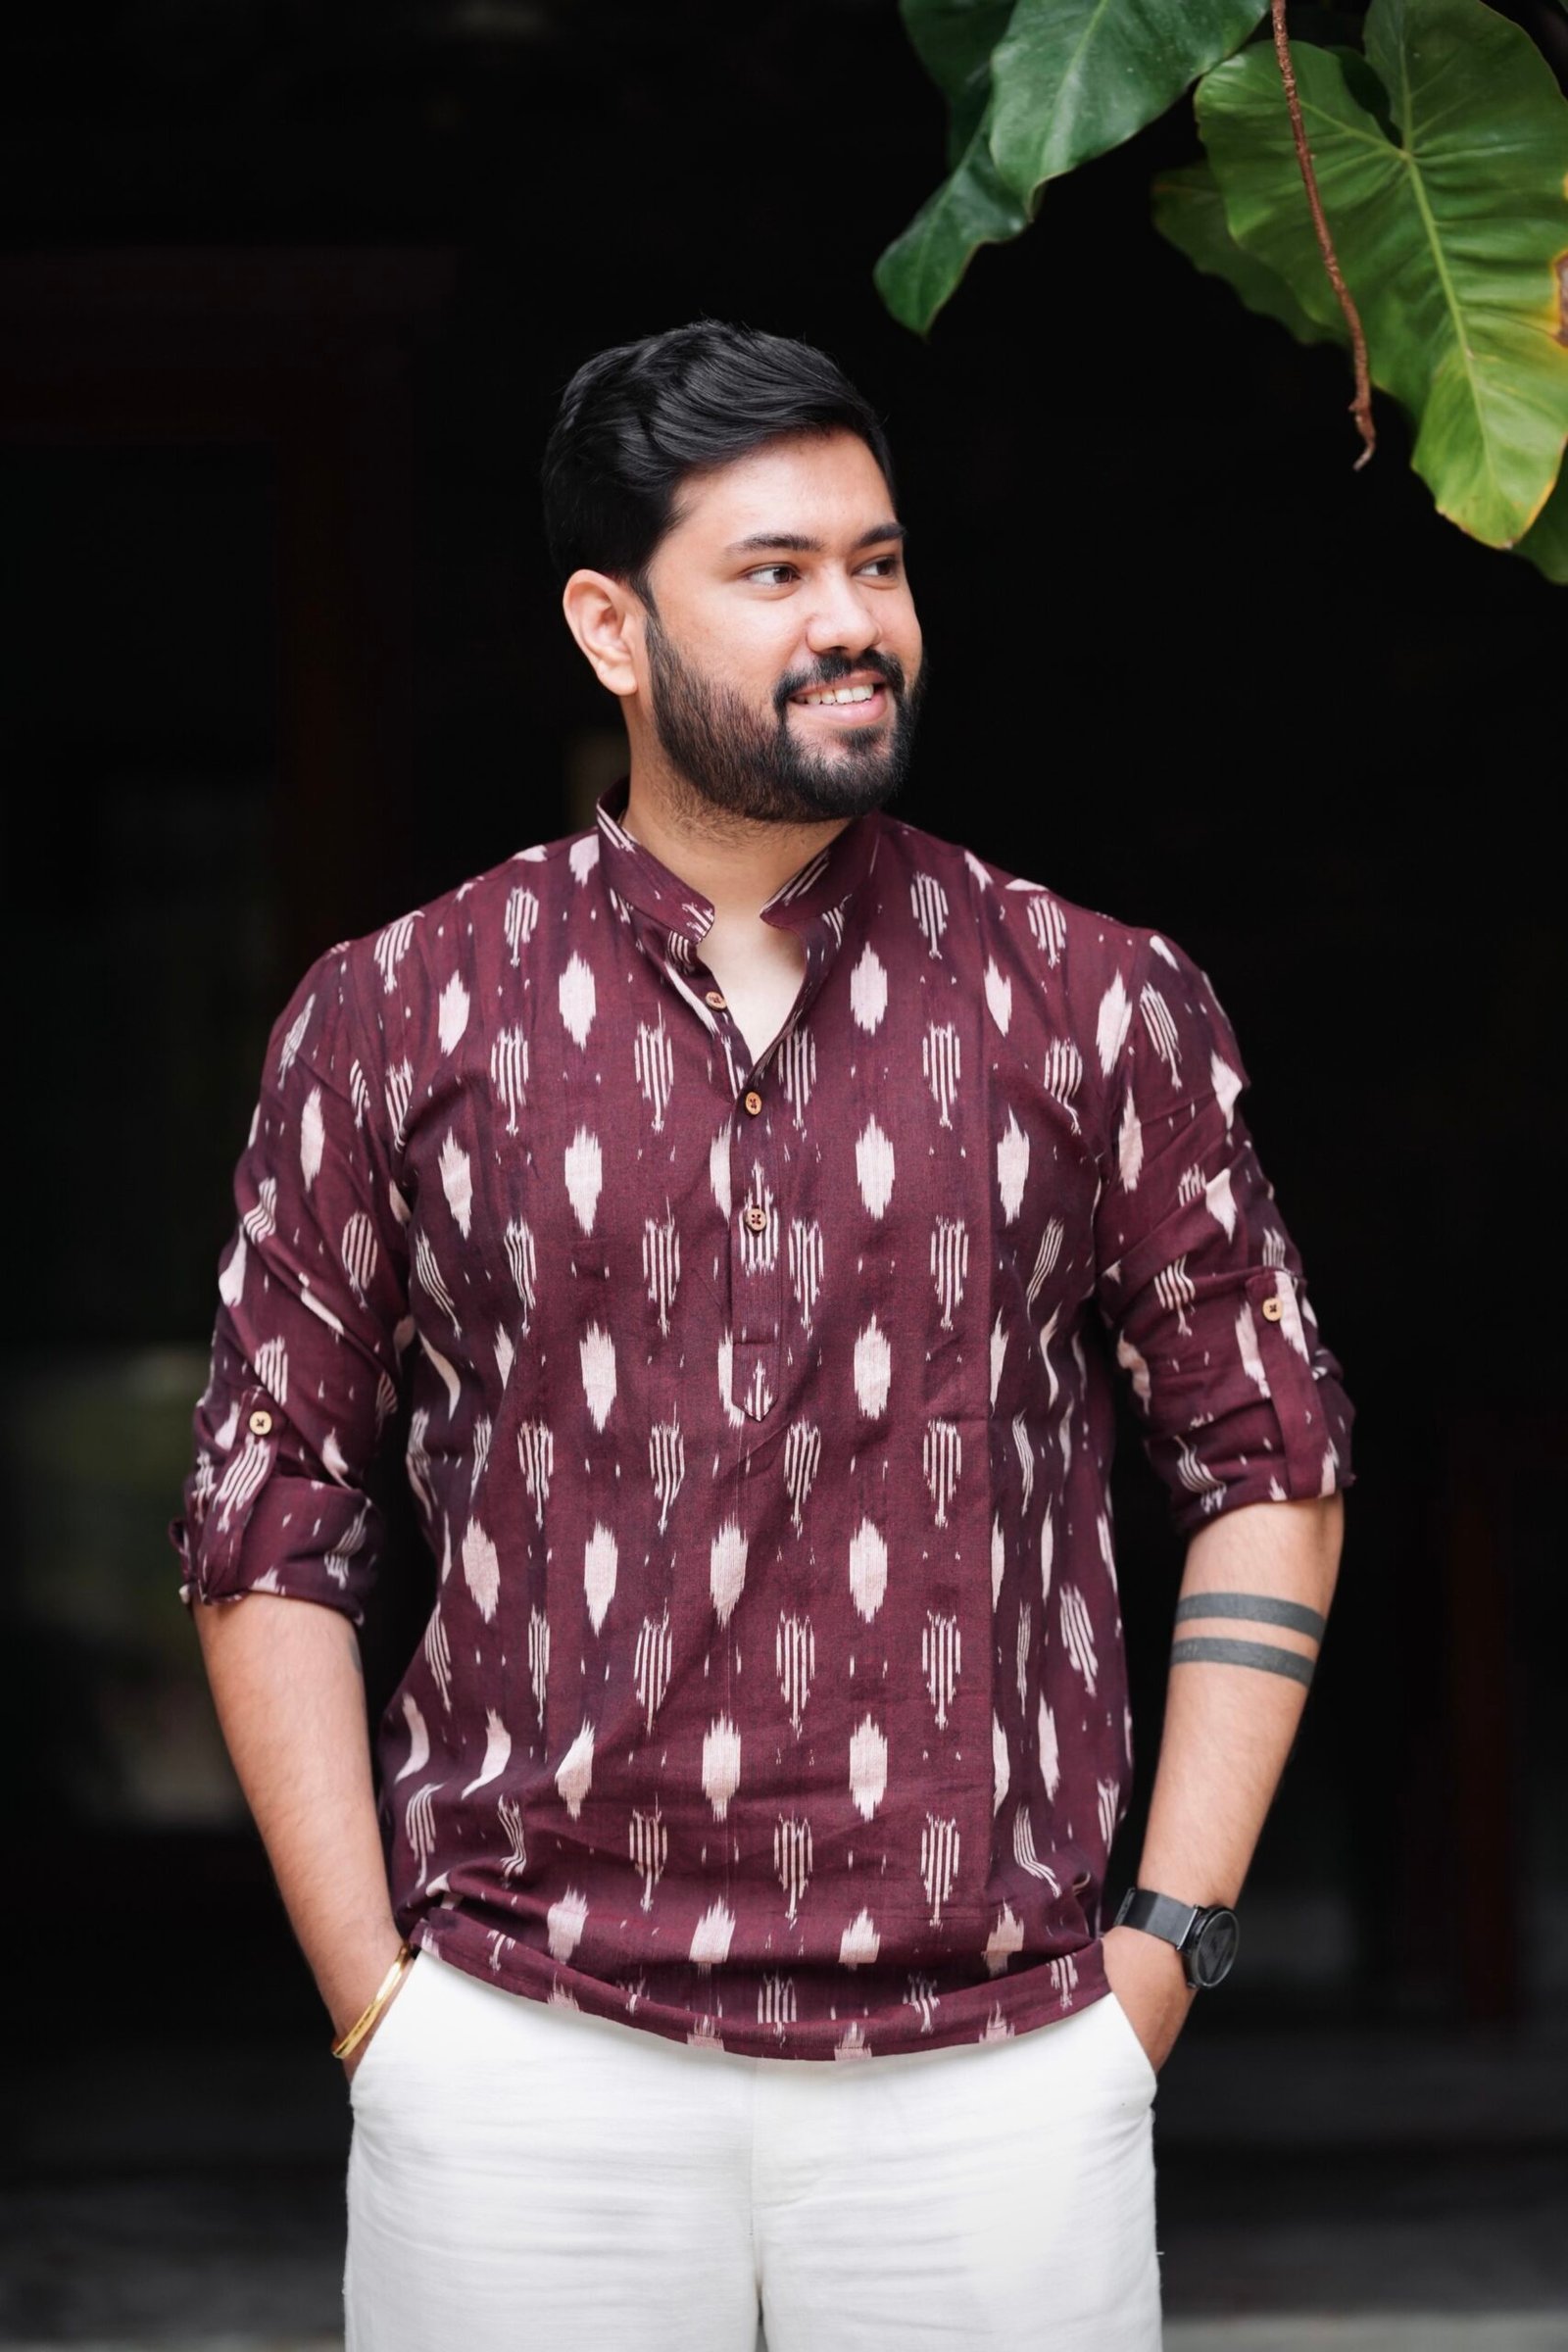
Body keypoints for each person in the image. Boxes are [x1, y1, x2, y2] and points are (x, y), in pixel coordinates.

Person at [172, 320, 1352, 2351]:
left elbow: (1271, 1454)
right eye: (775, 572)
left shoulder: (1091, 1001)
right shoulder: (397, 1014)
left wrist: (1159, 1952)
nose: (851, 624)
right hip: (522, 2059)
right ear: (609, 629)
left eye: (876, 564)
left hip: (998, 2066)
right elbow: (267, 1503)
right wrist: (379, 2005)